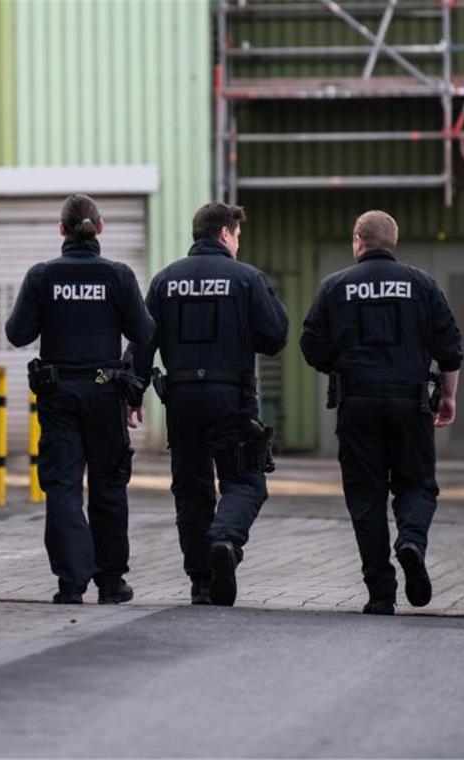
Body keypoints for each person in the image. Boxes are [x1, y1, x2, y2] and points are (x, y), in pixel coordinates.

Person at [300, 210, 463, 615]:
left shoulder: (334, 286)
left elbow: (311, 348)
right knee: (418, 484)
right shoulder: (423, 284)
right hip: (411, 402)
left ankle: (380, 593)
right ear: (393, 240)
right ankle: (410, 540)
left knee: (366, 497)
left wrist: (341, 364)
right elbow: (450, 348)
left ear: (358, 239)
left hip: (358, 405)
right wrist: (448, 397)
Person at [127, 202, 288, 606]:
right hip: (231, 398)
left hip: (180, 399)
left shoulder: (166, 280)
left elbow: (143, 341)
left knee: (191, 488)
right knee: (244, 481)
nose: (238, 243)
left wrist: (133, 394)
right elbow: (275, 336)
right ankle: (225, 541)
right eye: (238, 236)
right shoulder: (247, 278)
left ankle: (201, 581)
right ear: (225, 234)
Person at [6, 194, 155, 605]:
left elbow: (17, 334)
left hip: (59, 399)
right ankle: (110, 583)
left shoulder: (42, 277)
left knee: (63, 486)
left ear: (61, 230)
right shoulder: (118, 276)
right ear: (100, 228)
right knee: (109, 487)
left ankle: (71, 584)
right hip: (106, 393)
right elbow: (144, 332)